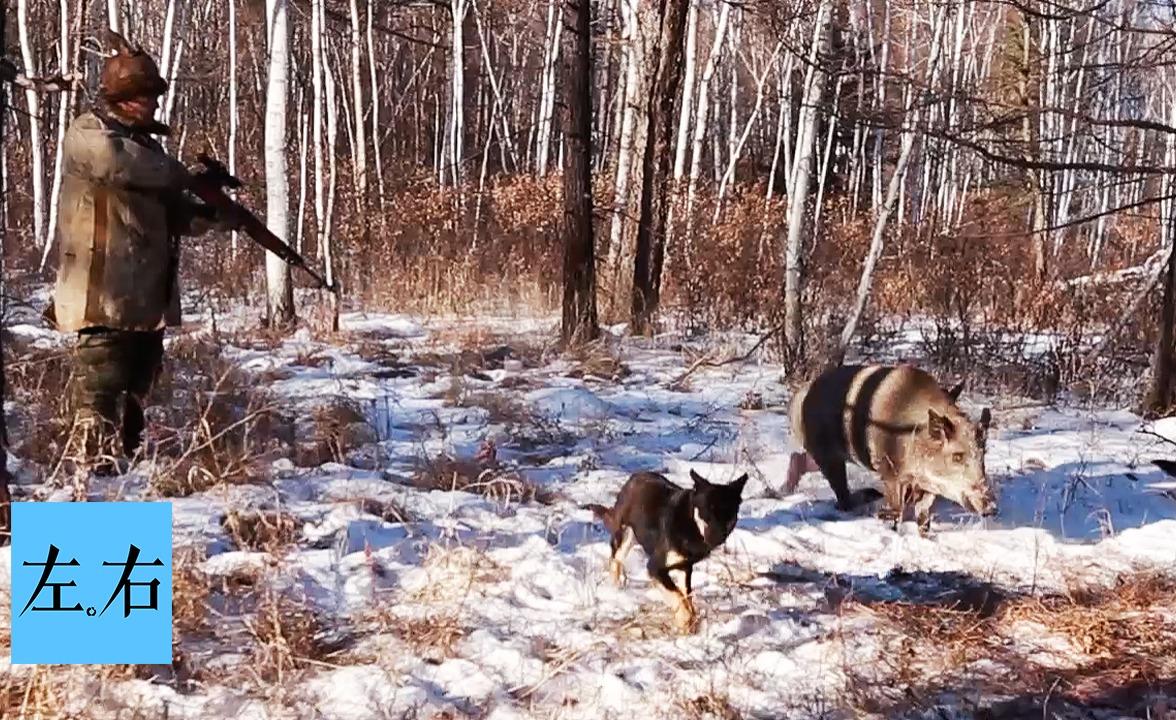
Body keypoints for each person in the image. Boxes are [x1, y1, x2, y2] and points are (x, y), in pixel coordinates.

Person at [50, 31, 241, 475]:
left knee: (136, 408)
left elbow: (174, 216)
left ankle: (128, 496)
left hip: (144, 306)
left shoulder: (152, 153)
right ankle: (86, 506)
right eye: (142, 95)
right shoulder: (87, 134)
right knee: (96, 410)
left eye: (153, 95)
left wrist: (216, 213)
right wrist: (184, 176)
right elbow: (118, 163)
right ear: (119, 97)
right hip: (101, 299)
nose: (151, 104)